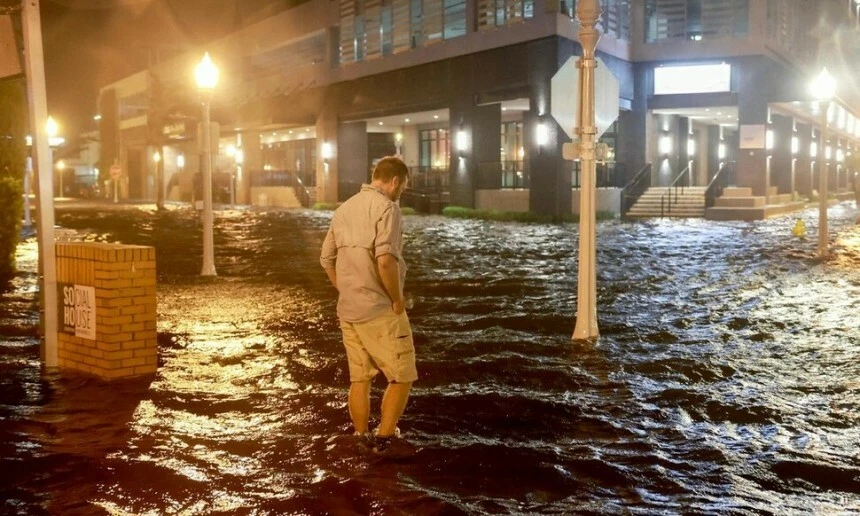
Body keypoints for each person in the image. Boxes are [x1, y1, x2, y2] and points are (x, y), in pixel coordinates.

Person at [320, 156, 417, 458]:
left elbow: (325, 259)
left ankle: (360, 436)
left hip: (348, 309)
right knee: (402, 375)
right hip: (378, 310)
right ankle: (385, 439)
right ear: (395, 181)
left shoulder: (343, 209)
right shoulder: (388, 208)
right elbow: (386, 260)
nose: (401, 191)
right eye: (403, 186)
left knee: (359, 378)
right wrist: (397, 299)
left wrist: (345, 289)